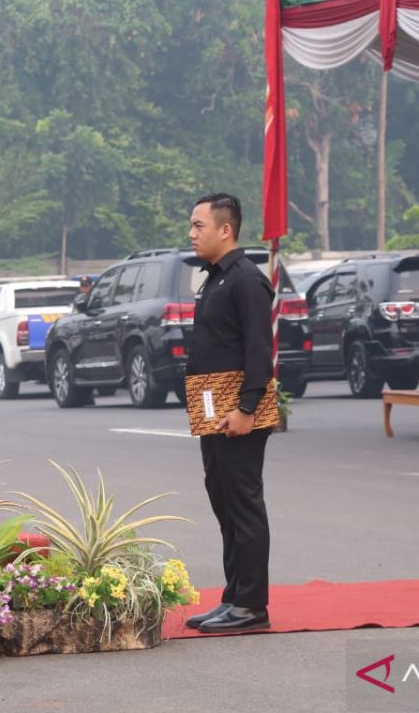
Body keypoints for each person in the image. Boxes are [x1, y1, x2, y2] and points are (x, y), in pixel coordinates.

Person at [183, 192, 274, 634]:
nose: (191, 233)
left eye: (199, 225)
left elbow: (260, 351)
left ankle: (253, 605)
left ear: (225, 229)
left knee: (243, 505)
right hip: (210, 407)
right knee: (222, 501)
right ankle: (234, 596)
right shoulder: (216, 277)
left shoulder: (246, 280)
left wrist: (246, 409)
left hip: (238, 413)